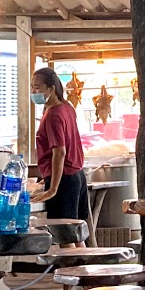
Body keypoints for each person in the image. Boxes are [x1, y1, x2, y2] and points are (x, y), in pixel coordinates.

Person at [31, 66, 87, 220]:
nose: (34, 92)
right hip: (77, 175)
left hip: (64, 180)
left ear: (51, 89)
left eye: (37, 87)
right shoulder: (67, 107)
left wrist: (53, 188)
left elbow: (60, 152)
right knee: (75, 229)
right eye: (32, 87)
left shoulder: (53, 115)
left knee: (63, 231)